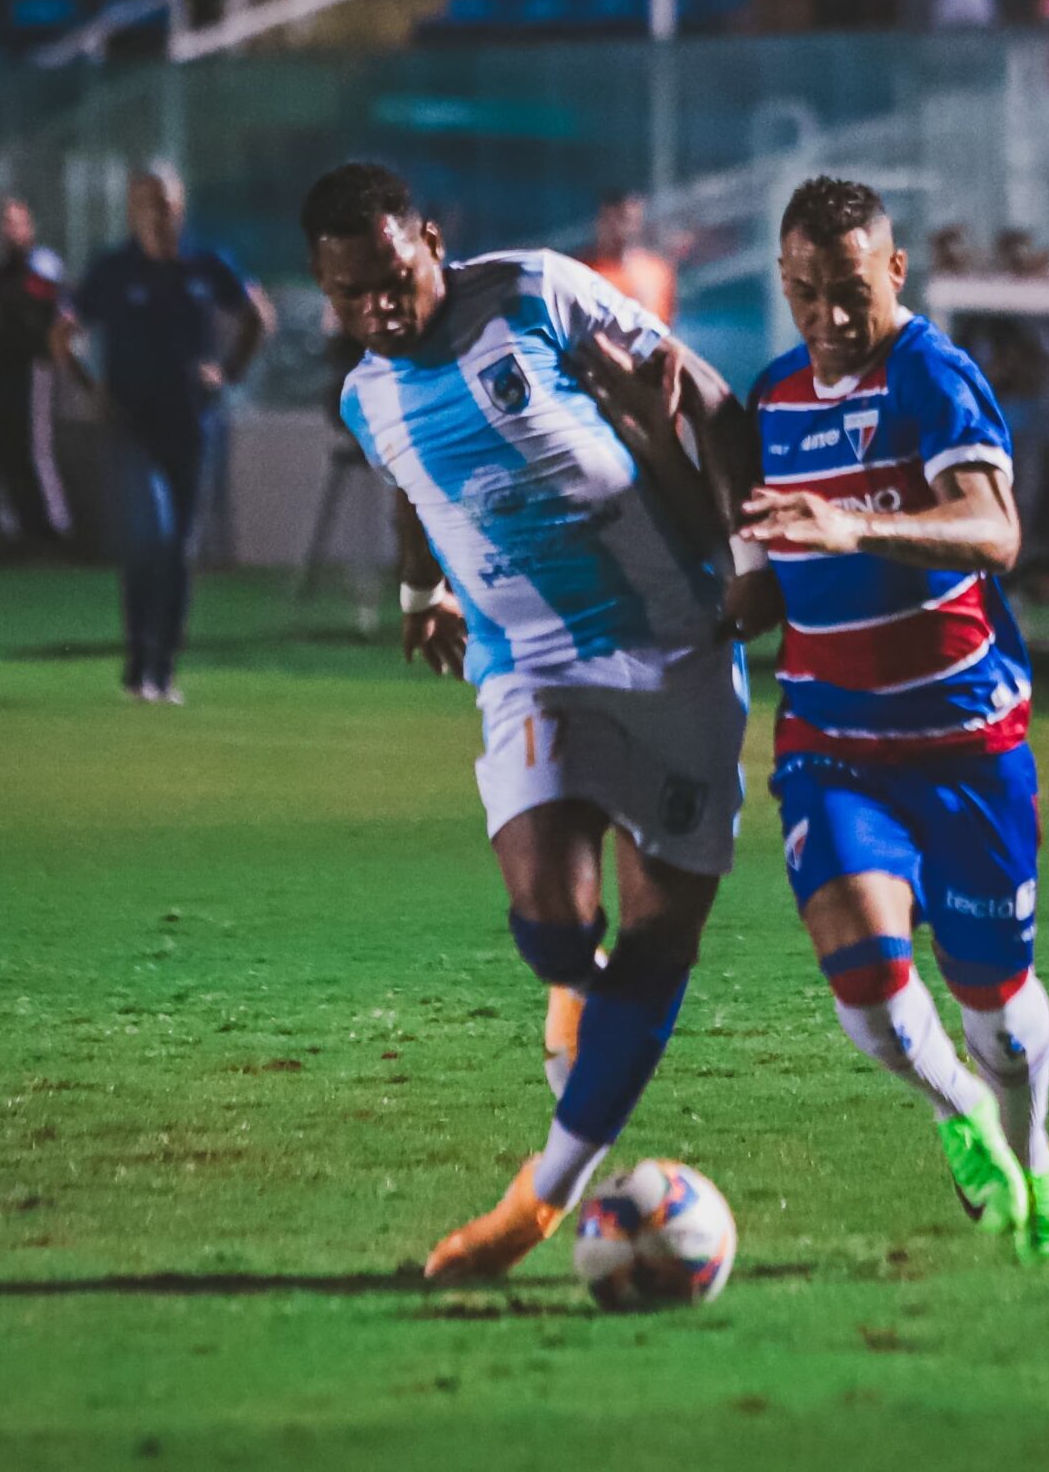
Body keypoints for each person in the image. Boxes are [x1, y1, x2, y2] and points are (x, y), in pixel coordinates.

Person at [304, 161, 778, 1281]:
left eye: (391, 275)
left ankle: (540, 1197)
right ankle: (573, 983)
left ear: (430, 238)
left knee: (661, 940)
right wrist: (423, 591)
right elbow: (415, 483)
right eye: (348, 295)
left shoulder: (536, 294)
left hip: (675, 647)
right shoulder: (363, 395)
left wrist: (752, 558)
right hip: (530, 665)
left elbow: (707, 401)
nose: (377, 306)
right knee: (558, 924)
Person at [734, 175, 1049, 1270]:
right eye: (803, 294)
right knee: (871, 986)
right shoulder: (770, 403)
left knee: (995, 1002)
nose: (829, 320)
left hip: (965, 746)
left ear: (893, 272)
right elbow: (750, 594)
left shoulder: (932, 375)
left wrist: (852, 525)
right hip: (831, 745)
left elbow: (994, 529)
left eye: (849, 291)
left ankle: (1032, 1155)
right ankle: (960, 1118)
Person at [52, 166, 271, 704]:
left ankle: (162, 669)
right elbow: (63, 334)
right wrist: (89, 386)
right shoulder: (113, 269)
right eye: (148, 203)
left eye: (167, 204)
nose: (159, 214)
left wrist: (228, 373)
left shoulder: (206, 263)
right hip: (131, 424)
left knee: (175, 548)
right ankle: (136, 660)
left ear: (181, 207)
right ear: (133, 209)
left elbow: (257, 317)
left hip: (191, 422)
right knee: (151, 533)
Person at [0, 197, 72, 549]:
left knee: (33, 447)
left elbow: (43, 313)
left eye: (17, 223)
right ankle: (11, 528)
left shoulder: (42, 269)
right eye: (5, 225)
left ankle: (52, 528)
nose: (11, 232)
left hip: (31, 369)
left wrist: (7, 315)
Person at [582, 189, 677, 327]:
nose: (623, 229)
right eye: (618, 219)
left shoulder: (658, 271)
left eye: (631, 220)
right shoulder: (584, 272)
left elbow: (666, 325)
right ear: (601, 222)